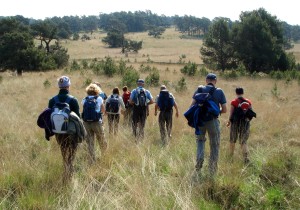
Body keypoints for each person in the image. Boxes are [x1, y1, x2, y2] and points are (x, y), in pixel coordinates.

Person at [189, 73, 227, 176]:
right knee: (214, 145)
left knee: (200, 142)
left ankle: (199, 163)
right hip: (213, 121)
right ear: (215, 81)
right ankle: (212, 169)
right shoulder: (219, 91)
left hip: (200, 121)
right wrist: (215, 110)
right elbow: (224, 110)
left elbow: (191, 106)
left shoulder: (199, 89)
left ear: (206, 80)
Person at [48, 76, 80, 183]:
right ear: (68, 86)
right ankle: (70, 172)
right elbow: (78, 118)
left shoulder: (52, 100)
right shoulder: (73, 100)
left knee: (63, 150)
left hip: (58, 131)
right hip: (71, 132)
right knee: (72, 151)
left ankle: (66, 168)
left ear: (59, 86)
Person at [81, 83, 107, 164]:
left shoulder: (84, 99)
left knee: (90, 142)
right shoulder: (99, 98)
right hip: (97, 122)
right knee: (102, 140)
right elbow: (103, 110)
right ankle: (104, 157)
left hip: (86, 123)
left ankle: (91, 160)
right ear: (96, 90)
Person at [226, 87, 253, 164]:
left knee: (232, 140)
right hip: (245, 123)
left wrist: (229, 122)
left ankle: (230, 157)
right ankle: (246, 158)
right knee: (243, 141)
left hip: (235, 123)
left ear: (236, 93)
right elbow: (250, 113)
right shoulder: (248, 102)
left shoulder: (234, 102)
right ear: (242, 92)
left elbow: (231, 114)